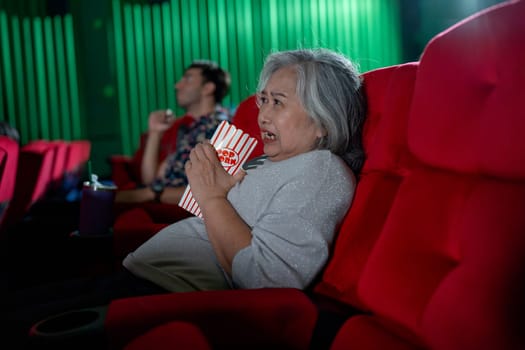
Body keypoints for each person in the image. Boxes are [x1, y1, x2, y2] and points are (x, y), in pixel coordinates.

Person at [2, 48, 366, 347]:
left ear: (323, 120)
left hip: (164, 297)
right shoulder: (267, 163)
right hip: (144, 275)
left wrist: (211, 197)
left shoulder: (320, 171)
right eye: (263, 100)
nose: (262, 116)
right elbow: (201, 212)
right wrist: (213, 193)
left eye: (278, 103)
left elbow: (266, 279)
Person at [114, 59, 231, 205]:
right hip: (161, 201)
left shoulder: (217, 127)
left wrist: (150, 194)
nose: (177, 85)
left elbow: (212, 189)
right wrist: (155, 132)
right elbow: (151, 179)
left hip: (179, 211)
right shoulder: (191, 127)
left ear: (207, 88)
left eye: (187, 79)